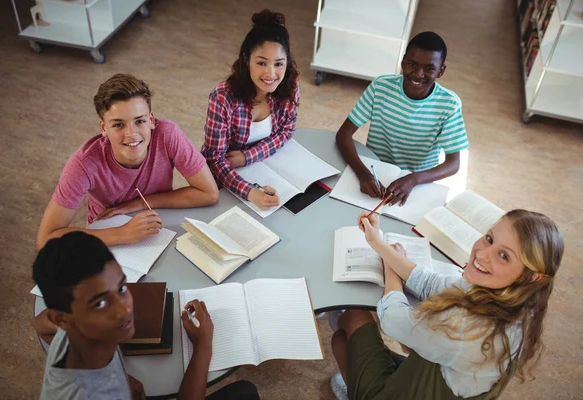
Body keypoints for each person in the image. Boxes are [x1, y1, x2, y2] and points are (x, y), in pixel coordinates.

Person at [328, 209, 564, 400]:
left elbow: (392, 319)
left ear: (533, 276)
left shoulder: (469, 330)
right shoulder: (516, 300)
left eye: (504, 256)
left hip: (419, 384)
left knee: (351, 319)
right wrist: (378, 243)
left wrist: (390, 269)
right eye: (489, 239)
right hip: (433, 377)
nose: (482, 254)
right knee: (346, 340)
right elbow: (431, 283)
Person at [31, 231, 260, 400]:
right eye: (100, 303)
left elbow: (39, 324)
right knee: (245, 393)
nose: (125, 309)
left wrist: (123, 378)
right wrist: (202, 347)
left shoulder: (69, 331)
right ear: (60, 318)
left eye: (121, 288)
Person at [36, 74, 219, 249]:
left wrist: (138, 204)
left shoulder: (168, 134)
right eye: (118, 124)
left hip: (157, 216)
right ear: (103, 128)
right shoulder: (83, 163)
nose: (131, 133)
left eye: (139, 121)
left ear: (151, 120)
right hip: (105, 232)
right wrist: (122, 234)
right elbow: (45, 239)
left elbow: (209, 193)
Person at [335, 31, 469, 207]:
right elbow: (343, 134)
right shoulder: (381, 86)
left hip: (419, 181)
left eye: (429, 68)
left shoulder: (449, 105)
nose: (418, 74)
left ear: (441, 71)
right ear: (403, 62)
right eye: (412, 64)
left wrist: (413, 179)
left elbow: (453, 164)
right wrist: (363, 174)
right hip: (375, 171)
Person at [201, 9, 300, 211]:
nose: (271, 73)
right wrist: (250, 191)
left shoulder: (290, 87)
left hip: (265, 167)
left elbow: (287, 131)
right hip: (225, 177)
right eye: (261, 63)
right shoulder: (222, 97)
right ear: (247, 60)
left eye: (279, 64)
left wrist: (249, 156)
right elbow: (213, 159)